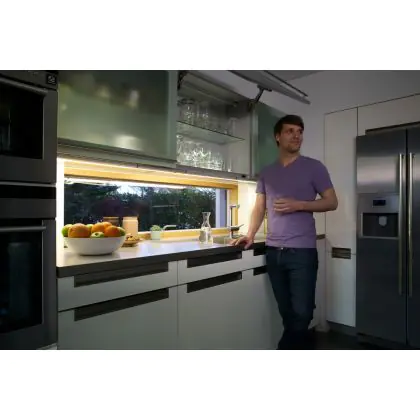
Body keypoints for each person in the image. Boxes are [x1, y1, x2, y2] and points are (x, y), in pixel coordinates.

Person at [232, 114, 338, 350]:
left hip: (302, 252)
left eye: (299, 131)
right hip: (273, 252)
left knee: (302, 313)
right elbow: (259, 207)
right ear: (277, 136)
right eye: (290, 131)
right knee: (288, 313)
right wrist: (250, 234)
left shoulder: (314, 167)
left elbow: (332, 202)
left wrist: (299, 204)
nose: (296, 136)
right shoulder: (267, 172)